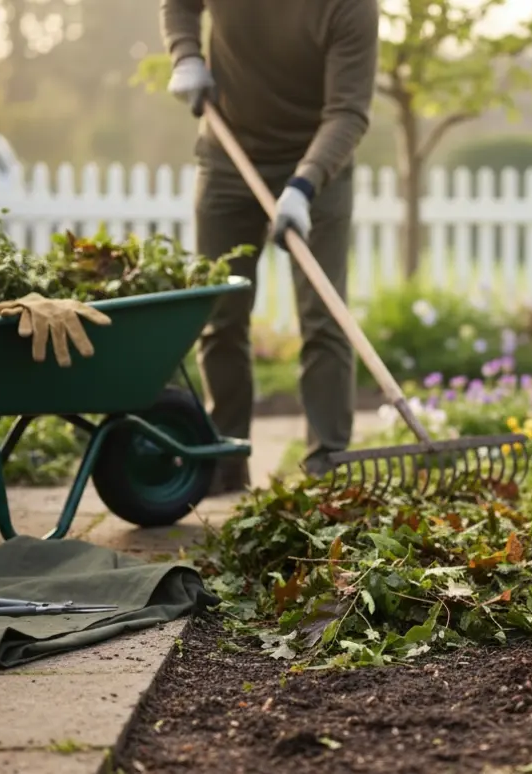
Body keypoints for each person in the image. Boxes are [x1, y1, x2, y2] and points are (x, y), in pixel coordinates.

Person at [159, 0, 380, 494]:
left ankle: (327, 462)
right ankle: (225, 460)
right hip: (227, 156)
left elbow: (348, 112)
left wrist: (304, 185)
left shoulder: (351, 8)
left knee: (325, 315)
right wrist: (186, 55)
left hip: (319, 165)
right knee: (221, 313)